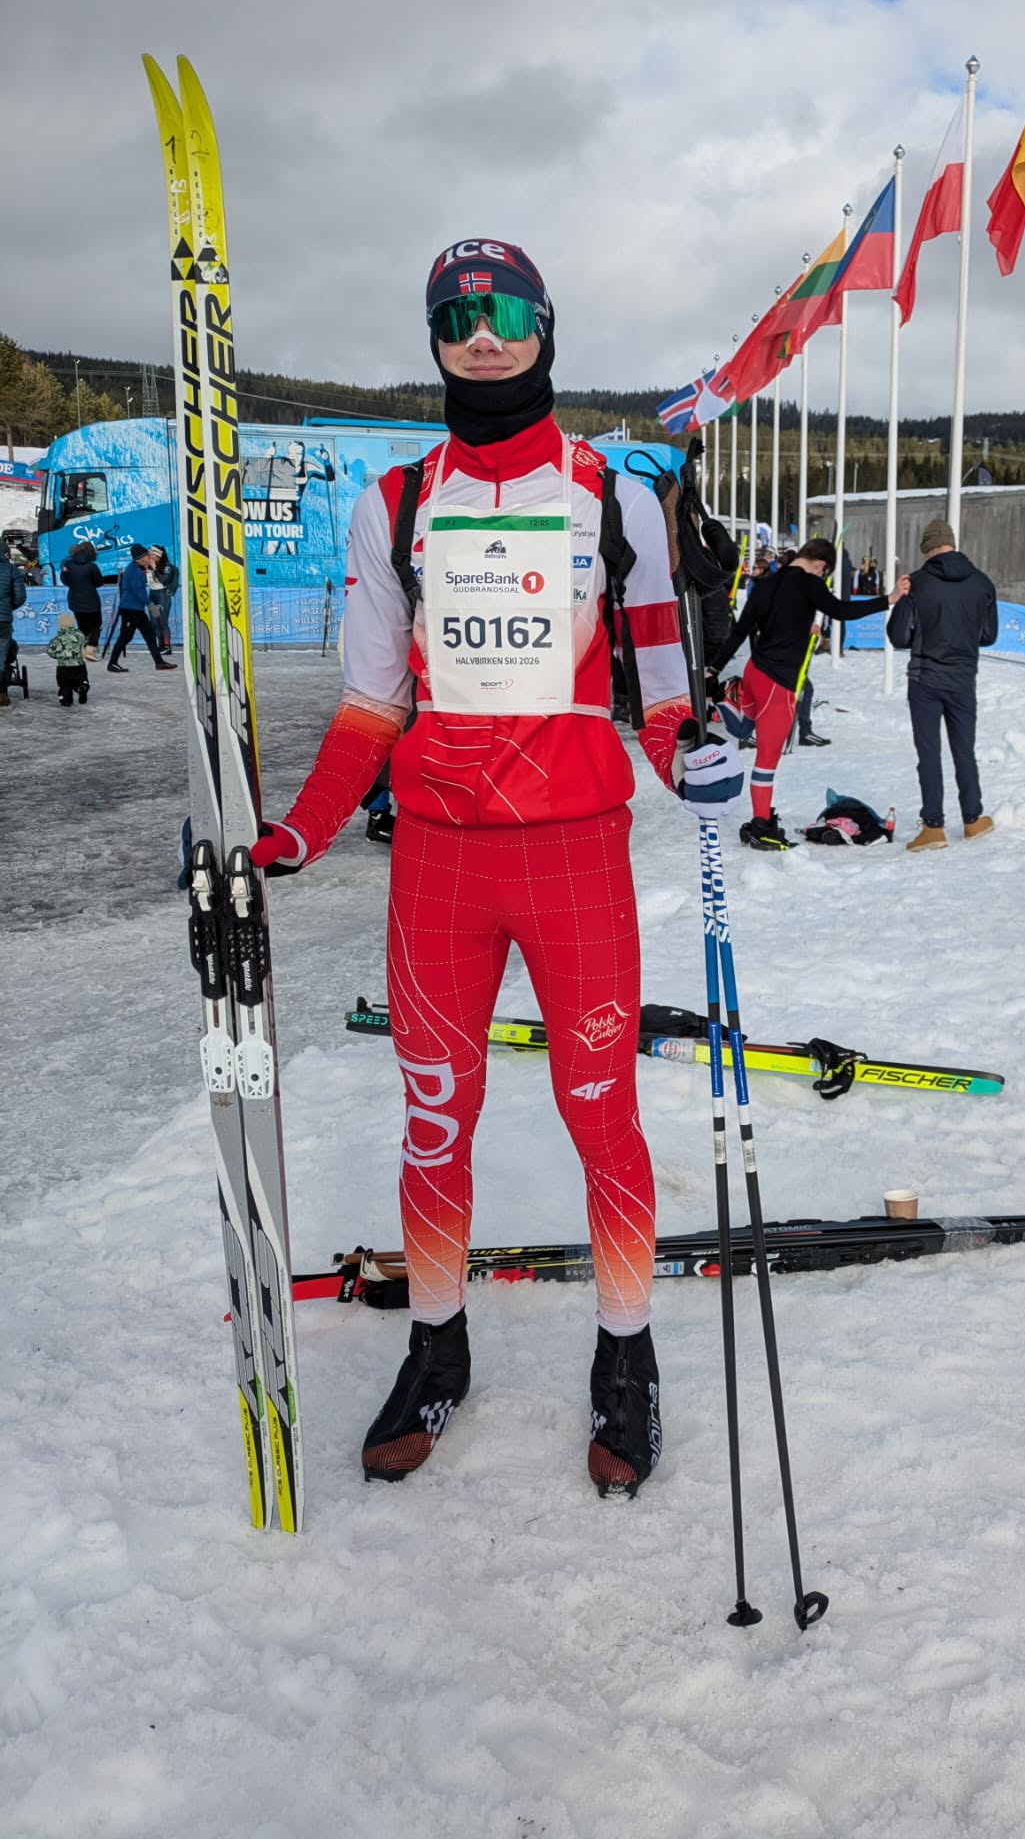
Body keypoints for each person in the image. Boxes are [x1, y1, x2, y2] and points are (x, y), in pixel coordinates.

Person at [249, 237, 742, 1492]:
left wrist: (695, 752)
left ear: (545, 324)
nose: (482, 332)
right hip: (441, 865)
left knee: (601, 1115)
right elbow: (369, 704)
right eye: (457, 313)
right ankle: (435, 1344)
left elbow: (666, 686)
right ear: (434, 337)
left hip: (574, 854)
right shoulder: (397, 503)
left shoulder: (609, 494)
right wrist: (302, 824)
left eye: (505, 309)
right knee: (434, 1118)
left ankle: (623, 1354)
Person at [712, 536, 900, 848]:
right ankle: (760, 824)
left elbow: (741, 630)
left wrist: (713, 668)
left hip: (755, 671)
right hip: (779, 681)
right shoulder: (810, 584)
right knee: (767, 759)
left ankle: (729, 700)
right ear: (821, 566)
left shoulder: (767, 583)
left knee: (748, 729)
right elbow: (840, 611)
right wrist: (888, 599)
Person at [887, 518, 999, 851]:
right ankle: (973, 819)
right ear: (952, 543)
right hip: (963, 678)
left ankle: (933, 827)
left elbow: (897, 636)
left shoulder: (916, 583)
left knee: (930, 753)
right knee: (964, 750)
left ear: (926, 548)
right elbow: (989, 636)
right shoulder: (982, 583)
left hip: (925, 679)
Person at [107, 546, 175, 672]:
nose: (150, 557)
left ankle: (159, 662)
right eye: (147, 555)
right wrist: (150, 605)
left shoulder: (137, 568)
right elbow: (139, 591)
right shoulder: (134, 571)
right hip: (130, 610)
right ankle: (112, 662)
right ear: (141, 558)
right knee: (125, 637)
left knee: (150, 635)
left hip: (136, 609)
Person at [61, 541, 105, 658]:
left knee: (82, 626)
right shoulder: (92, 567)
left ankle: (81, 648)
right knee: (96, 625)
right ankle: (90, 649)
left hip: (75, 600)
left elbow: (65, 581)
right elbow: (99, 583)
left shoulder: (68, 565)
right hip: (91, 601)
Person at [0, 544, 26, 707]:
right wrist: (9, 608)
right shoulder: (11, 570)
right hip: (3, 619)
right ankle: (2, 693)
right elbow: (20, 596)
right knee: (1, 655)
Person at [46, 610, 90, 707]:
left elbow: (50, 651)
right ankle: (81, 686)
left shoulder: (58, 638)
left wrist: (58, 656)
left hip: (63, 667)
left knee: (65, 685)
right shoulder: (80, 635)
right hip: (79, 665)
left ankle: (65, 699)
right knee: (80, 680)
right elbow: (86, 647)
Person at [149, 545, 180, 657]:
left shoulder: (167, 567)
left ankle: (167, 646)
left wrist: (154, 568)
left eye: (153, 554)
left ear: (158, 556)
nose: (150, 556)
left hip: (162, 596)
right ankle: (160, 645)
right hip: (152, 596)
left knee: (162, 622)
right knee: (154, 622)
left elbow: (164, 581)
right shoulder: (149, 567)